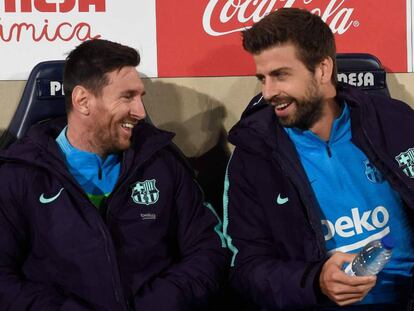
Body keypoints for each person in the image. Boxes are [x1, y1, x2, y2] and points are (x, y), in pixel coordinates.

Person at [0, 39, 228, 311]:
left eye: (140, 97)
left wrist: (157, 303)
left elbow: (210, 249)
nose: (141, 112)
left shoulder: (163, 163)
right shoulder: (19, 175)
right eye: (127, 97)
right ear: (83, 101)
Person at [223, 7, 414, 311]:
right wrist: (315, 281)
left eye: (280, 76)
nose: (268, 92)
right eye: (262, 78)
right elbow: (245, 269)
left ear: (323, 70)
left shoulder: (397, 123)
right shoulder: (253, 156)